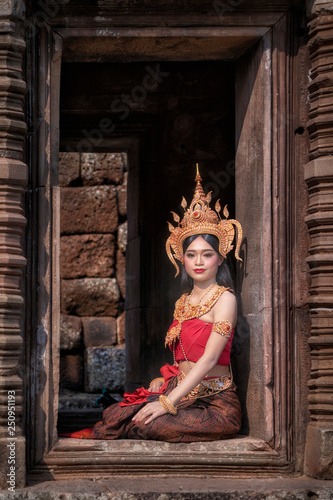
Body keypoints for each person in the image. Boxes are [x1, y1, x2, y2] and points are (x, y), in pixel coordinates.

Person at [62, 165, 243, 442]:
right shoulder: (183, 301)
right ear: (181, 258)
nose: (198, 262)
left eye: (207, 255)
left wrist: (166, 403)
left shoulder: (225, 298)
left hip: (214, 404)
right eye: (191, 254)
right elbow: (183, 354)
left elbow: (206, 361)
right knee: (118, 413)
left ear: (219, 258)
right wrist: (166, 383)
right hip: (181, 391)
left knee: (147, 425)